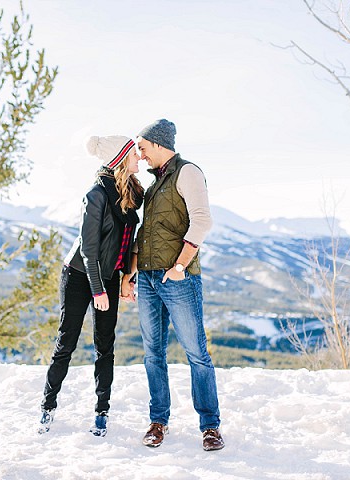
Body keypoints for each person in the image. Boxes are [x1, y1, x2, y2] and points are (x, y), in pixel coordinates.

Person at [126, 118, 224, 451]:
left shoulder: (188, 172)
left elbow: (202, 220)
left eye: (142, 147)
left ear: (157, 143)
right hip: (149, 279)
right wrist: (131, 273)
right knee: (153, 355)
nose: (140, 155)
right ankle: (158, 421)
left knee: (197, 353)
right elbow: (145, 235)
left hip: (177, 278)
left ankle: (210, 427)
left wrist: (181, 265)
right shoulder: (154, 186)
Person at [38, 135, 144, 437]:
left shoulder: (133, 193)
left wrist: (127, 278)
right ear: (120, 159)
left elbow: (126, 243)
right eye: (134, 154)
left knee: (105, 345)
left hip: (108, 276)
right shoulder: (96, 194)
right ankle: (47, 406)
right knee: (67, 342)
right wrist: (97, 289)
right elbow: (89, 248)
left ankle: (101, 412)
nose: (139, 158)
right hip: (80, 275)